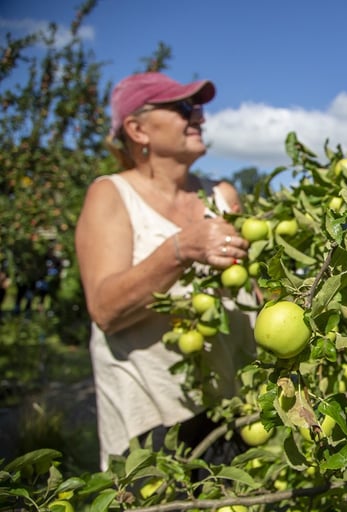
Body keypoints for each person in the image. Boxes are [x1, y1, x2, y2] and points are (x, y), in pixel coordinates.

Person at [75, 72, 257, 471]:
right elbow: (105, 309)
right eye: (183, 108)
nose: (200, 118)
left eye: (199, 108)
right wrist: (180, 249)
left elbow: (254, 287)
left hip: (233, 408)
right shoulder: (112, 195)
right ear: (138, 129)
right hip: (153, 419)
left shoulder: (222, 195)